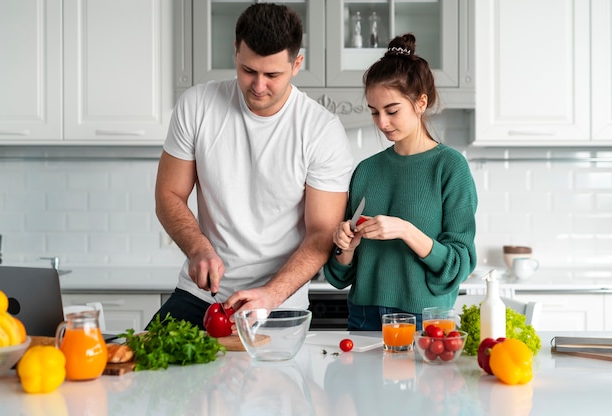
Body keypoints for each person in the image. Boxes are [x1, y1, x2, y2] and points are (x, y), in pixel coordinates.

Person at [148, 3, 353, 329]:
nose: (258, 86)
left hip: (279, 303)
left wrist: (271, 295)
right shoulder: (197, 106)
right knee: (145, 375)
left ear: (297, 64)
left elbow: (322, 234)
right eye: (248, 71)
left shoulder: (321, 130)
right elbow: (168, 194)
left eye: (272, 75)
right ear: (235, 52)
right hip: (201, 296)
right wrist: (199, 250)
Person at [324, 33, 477, 331]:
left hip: (425, 318)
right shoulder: (366, 170)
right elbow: (340, 276)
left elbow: (459, 265)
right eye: (374, 112)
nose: (382, 122)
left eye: (392, 111)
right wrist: (346, 247)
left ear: (420, 103)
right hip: (364, 315)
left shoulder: (449, 167)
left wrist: (406, 231)